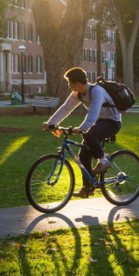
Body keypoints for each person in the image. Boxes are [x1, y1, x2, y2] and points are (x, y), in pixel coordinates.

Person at [43, 67, 121, 198]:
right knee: (83, 154)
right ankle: (88, 188)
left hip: (112, 122)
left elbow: (94, 112)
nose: (68, 85)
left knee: (89, 133)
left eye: (70, 82)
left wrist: (82, 127)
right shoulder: (78, 94)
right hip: (99, 123)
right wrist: (51, 123)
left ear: (77, 83)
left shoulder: (97, 91)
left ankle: (103, 161)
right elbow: (66, 108)